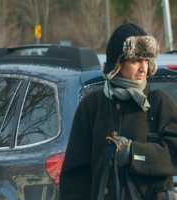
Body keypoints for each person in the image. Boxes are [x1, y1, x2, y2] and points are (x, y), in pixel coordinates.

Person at [59, 23, 177, 200]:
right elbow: (75, 176)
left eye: (146, 60)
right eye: (135, 60)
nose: (143, 68)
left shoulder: (159, 102)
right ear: (117, 63)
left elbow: (173, 155)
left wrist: (134, 154)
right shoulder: (92, 106)